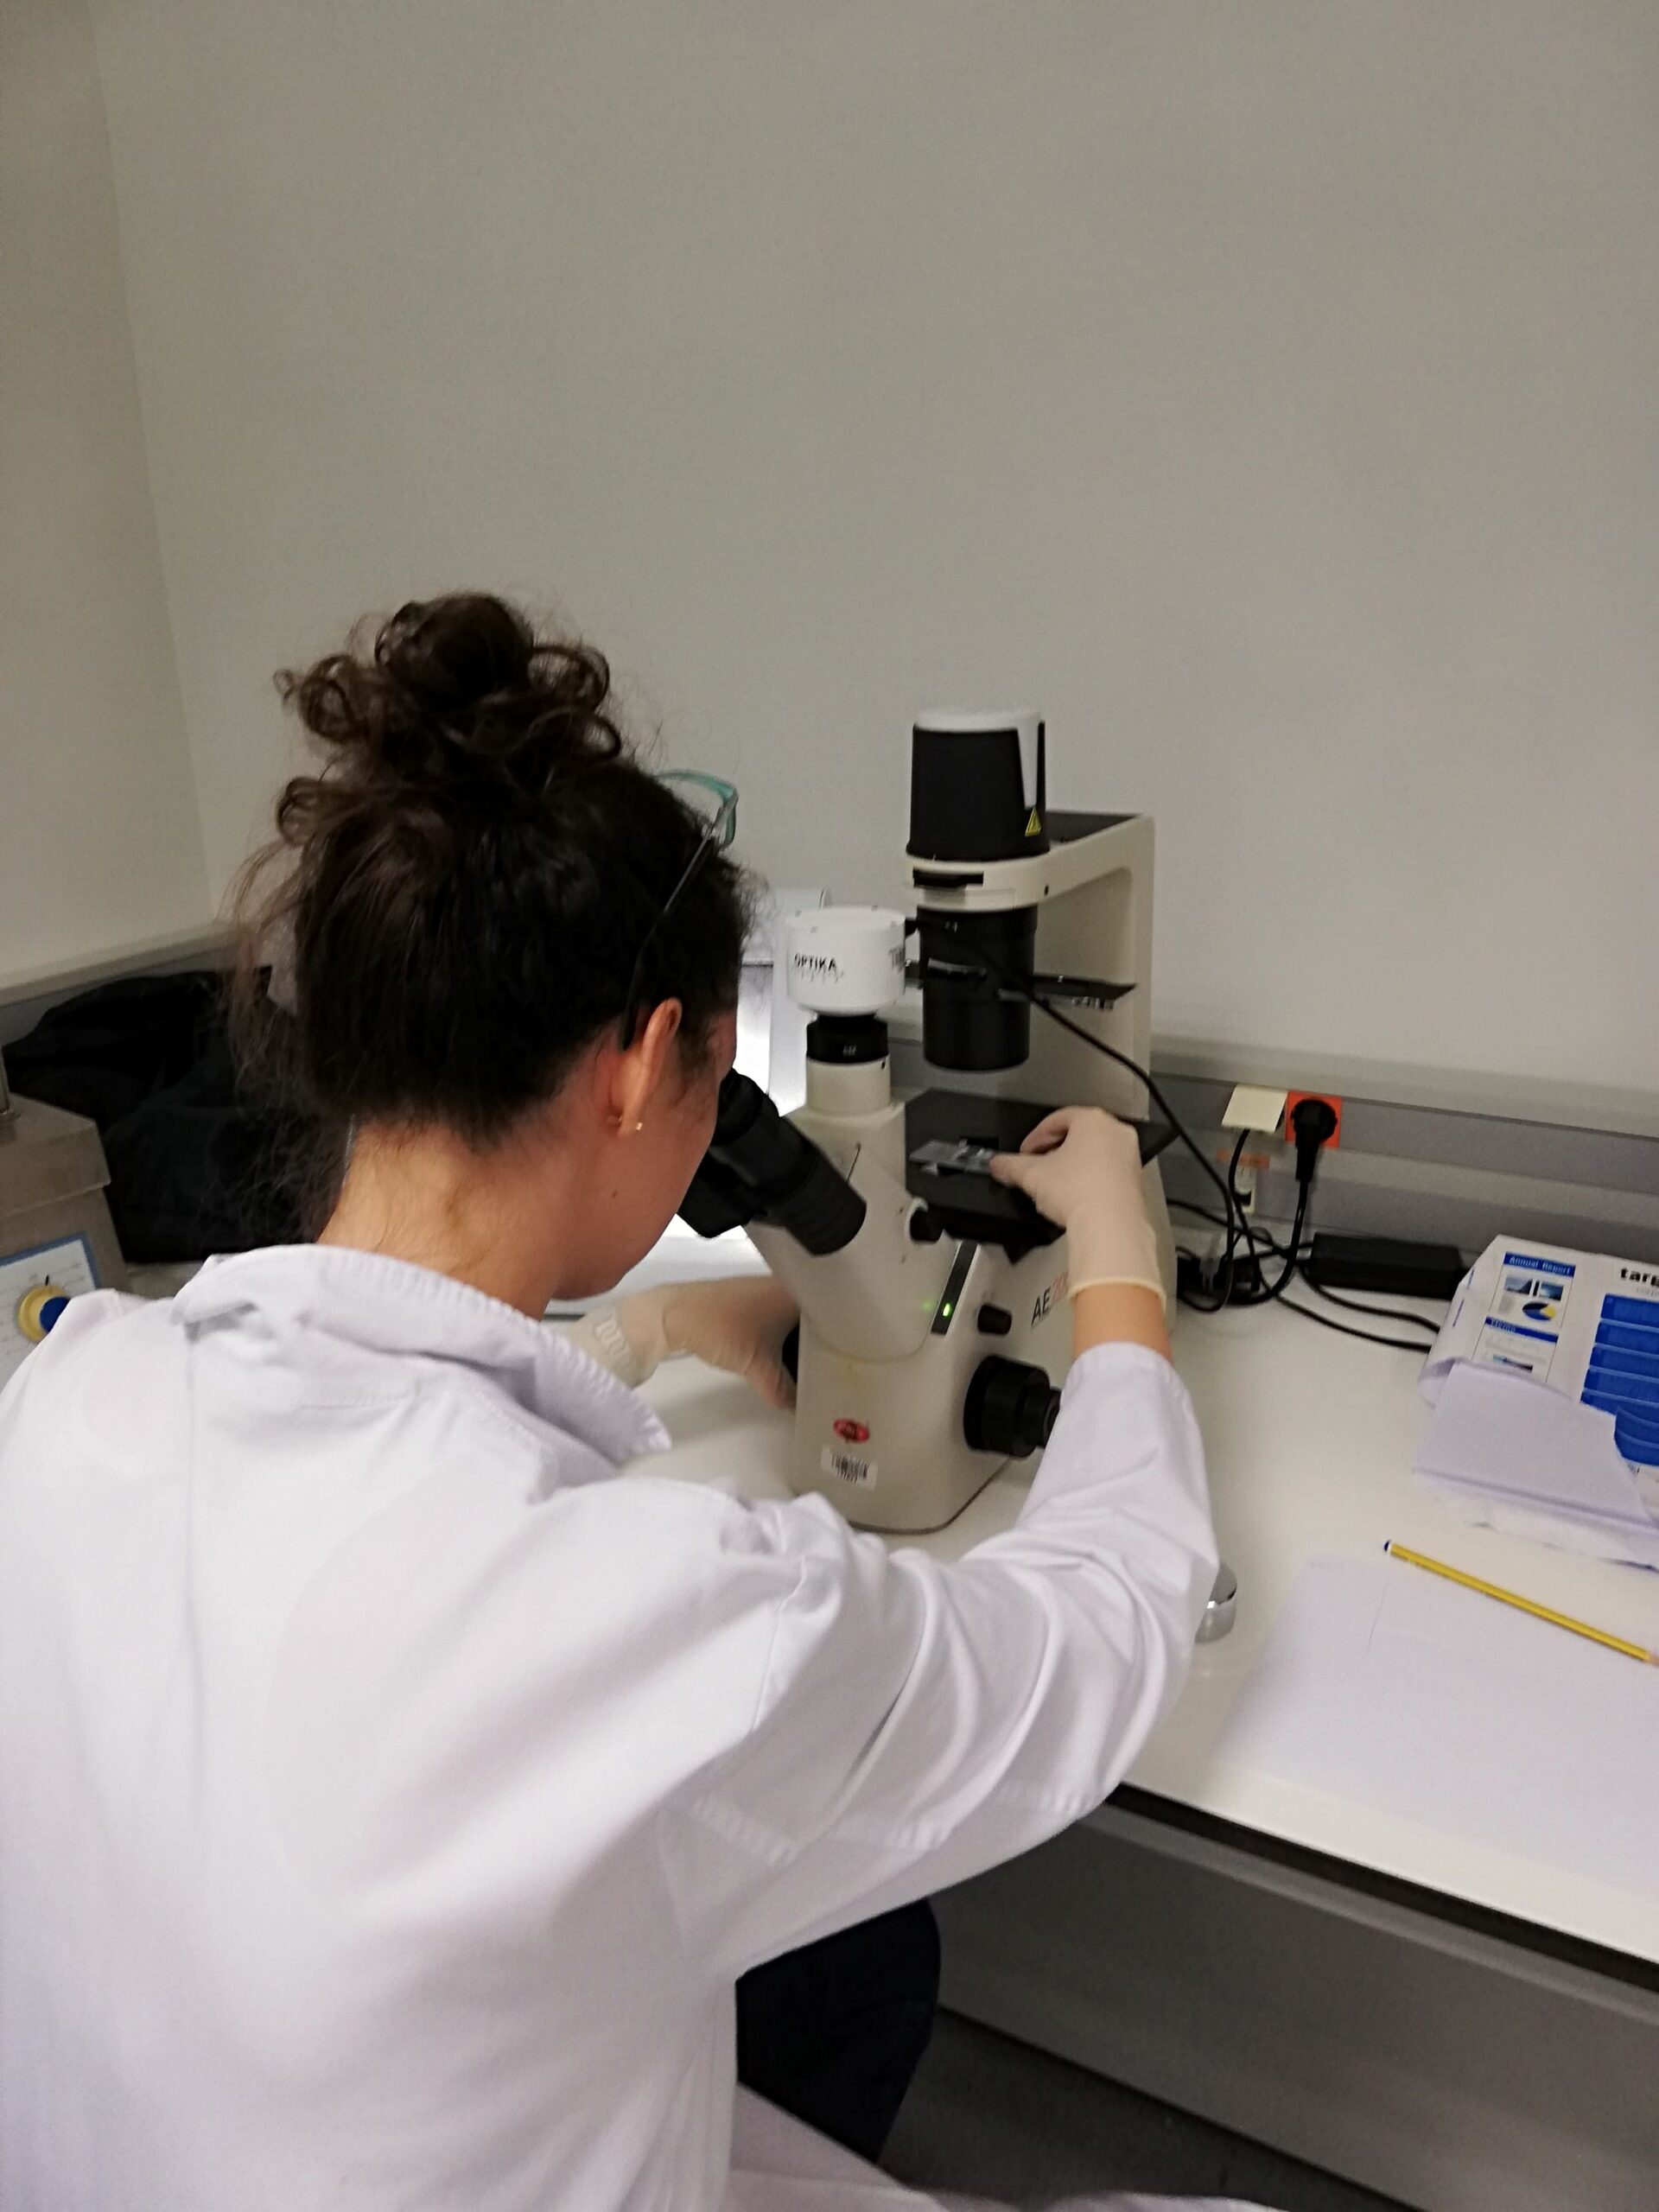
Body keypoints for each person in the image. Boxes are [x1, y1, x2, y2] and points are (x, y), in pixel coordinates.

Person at [0, 595, 1238, 2212]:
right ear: (651, 1064)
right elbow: (1098, 1634)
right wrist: (1122, 1280)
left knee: (850, 1958)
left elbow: (356, 1489)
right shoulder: (656, 1616)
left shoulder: (77, 1389)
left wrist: (645, 1330)